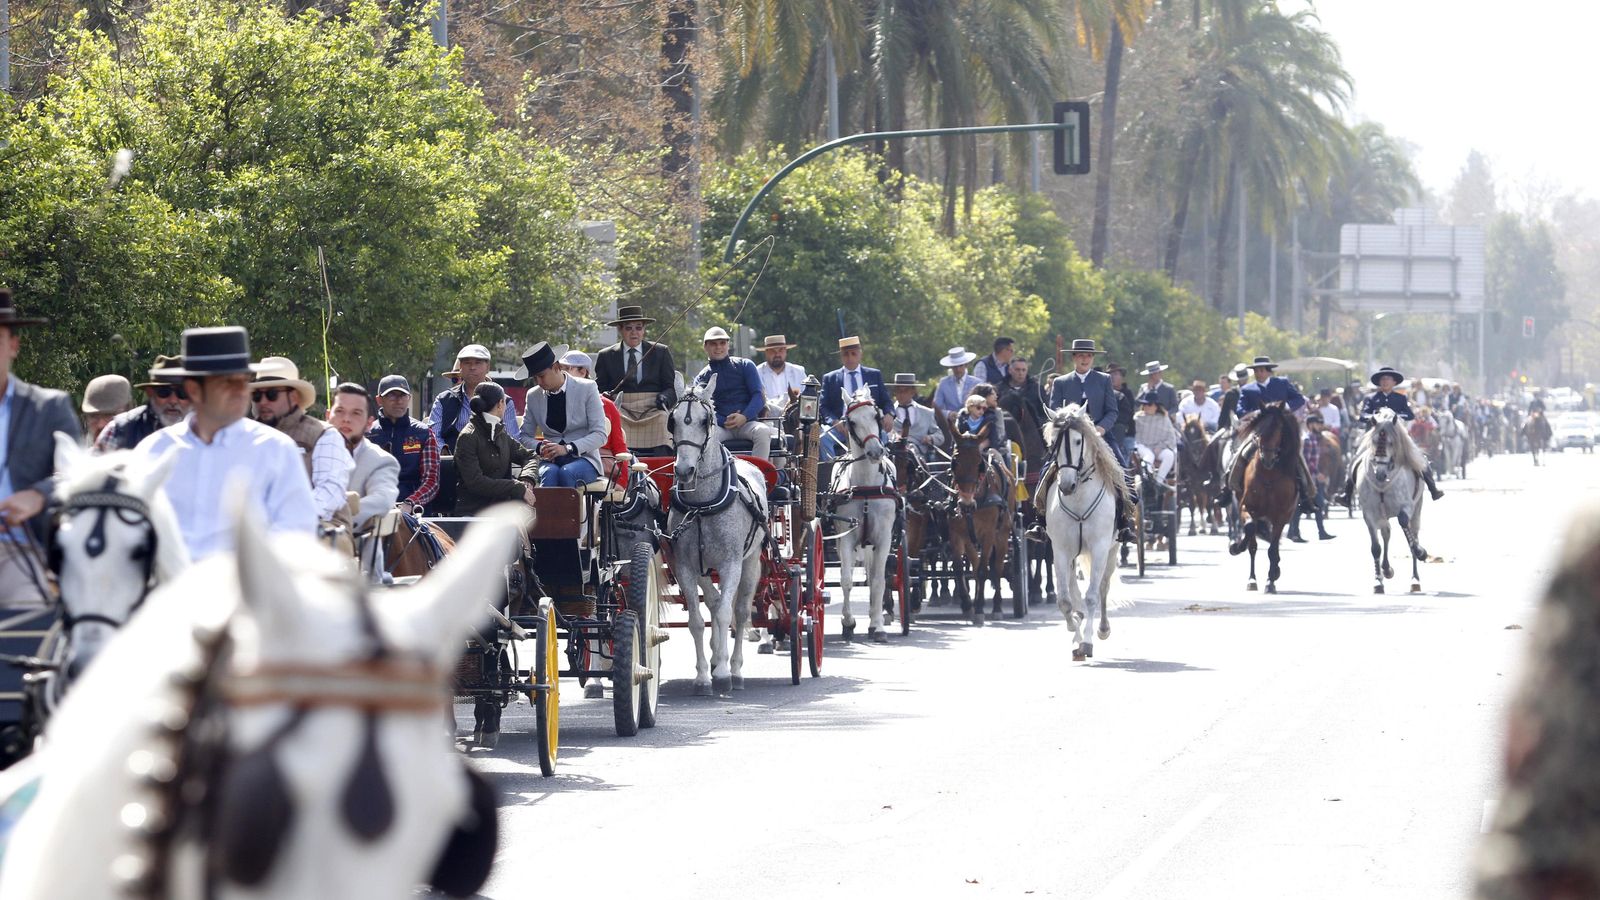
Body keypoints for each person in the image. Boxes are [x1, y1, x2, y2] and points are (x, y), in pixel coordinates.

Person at [134, 326, 313, 560]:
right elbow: (130, 528)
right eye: (227, 382)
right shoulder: (153, 450)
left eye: (244, 380)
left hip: (247, 581)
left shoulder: (276, 450)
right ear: (194, 390)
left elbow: (297, 535)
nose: (241, 390)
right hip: (167, 580)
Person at [0, 290, 80, 605]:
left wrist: (38, 495)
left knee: (29, 619)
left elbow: (76, 473)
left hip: (21, 549)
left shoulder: (48, 407)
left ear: (13, 346)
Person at [1045, 339, 1135, 542]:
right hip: (1069, 437)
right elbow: (1055, 413)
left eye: (1088, 356)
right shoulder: (1061, 382)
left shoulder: (1103, 380)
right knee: (1045, 471)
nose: (1084, 359)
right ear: (1074, 358)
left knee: (1122, 470)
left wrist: (1100, 429)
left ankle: (1124, 522)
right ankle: (1040, 519)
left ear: (1093, 358)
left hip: (1100, 435)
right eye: (1080, 355)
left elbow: (1112, 411)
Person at [252, 356, 355, 530]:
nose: (262, 402)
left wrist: (285, 519)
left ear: (293, 397)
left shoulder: (324, 435)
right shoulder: (246, 437)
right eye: (256, 395)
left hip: (324, 527)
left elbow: (330, 491)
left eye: (271, 394)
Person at [1334, 366, 1445, 504]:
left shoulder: (1400, 398)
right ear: (1379, 382)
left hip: (1397, 436)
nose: (1385, 381)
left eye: (1388, 379)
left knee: (1420, 456)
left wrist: (1396, 415)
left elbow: (1410, 415)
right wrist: (1376, 416)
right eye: (1382, 379)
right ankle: (1347, 493)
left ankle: (1432, 488)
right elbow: (1363, 415)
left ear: (1394, 382)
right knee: (1355, 458)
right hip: (1374, 436)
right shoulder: (1370, 398)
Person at [1225, 355, 1316, 515]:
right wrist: (1257, 412)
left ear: (1268, 371)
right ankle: (1228, 488)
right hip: (1259, 431)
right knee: (1240, 452)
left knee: (1297, 456)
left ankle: (1305, 493)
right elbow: (1240, 410)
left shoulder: (1282, 383)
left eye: (1261, 370)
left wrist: (1286, 407)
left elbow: (1299, 399)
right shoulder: (1248, 389)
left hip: (1282, 431)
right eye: (1256, 371)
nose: (1259, 373)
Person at [517, 342, 610, 487]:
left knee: (567, 472)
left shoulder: (587, 388)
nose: (538, 382)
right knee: (549, 473)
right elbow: (524, 436)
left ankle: (563, 503)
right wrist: (540, 447)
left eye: (541, 376)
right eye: (534, 378)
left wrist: (567, 448)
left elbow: (600, 435)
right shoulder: (533, 395)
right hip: (549, 460)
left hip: (584, 458)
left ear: (556, 367)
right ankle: (547, 504)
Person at [593, 306, 677, 456]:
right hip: (621, 409)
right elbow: (599, 389)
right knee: (611, 420)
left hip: (653, 409)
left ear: (644, 329)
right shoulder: (606, 355)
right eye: (628, 328)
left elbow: (670, 388)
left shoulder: (661, 352)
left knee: (663, 419)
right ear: (620, 329)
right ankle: (621, 465)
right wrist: (605, 396)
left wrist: (665, 398)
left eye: (638, 328)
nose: (634, 332)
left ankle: (662, 464)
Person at [325, 383, 399, 533]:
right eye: (339, 411)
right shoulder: (308, 452)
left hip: (356, 544)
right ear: (328, 416)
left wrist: (333, 521)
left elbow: (382, 500)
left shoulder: (382, 461)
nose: (346, 419)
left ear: (369, 423)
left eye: (356, 413)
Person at [454, 382, 535, 516]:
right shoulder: (468, 437)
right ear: (500, 404)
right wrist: (515, 486)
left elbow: (530, 456)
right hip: (473, 513)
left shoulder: (500, 433)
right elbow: (475, 482)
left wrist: (527, 478)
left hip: (501, 511)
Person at [693, 327, 773, 462]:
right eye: (713, 344)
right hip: (720, 427)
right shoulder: (701, 378)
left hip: (748, 423)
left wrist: (744, 416)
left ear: (728, 344)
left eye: (722, 343)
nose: (718, 347)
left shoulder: (745, 365)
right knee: (702, 438)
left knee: (763, 431)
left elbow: (758, 396)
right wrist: (722, 420)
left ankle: (758, 472)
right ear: (705, 347)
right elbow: (701, 407)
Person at [429, 343, 520, 453]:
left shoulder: (504, 401)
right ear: (460, 367)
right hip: (451, 460)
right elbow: (433, 435)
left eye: (478, 362)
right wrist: (443, 450)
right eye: (467, 363)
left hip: (492, 461)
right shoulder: (443, 400)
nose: (472, 367)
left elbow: (513, 440)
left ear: (488, 367)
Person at [369, 374, 441, 510]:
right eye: (392, 395)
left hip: (416, 512)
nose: (399, 401)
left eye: (403, 395)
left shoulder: (424, 433)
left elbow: (431, 481)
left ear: (409, 398)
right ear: (379, 400)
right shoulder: (367, 434)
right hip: (376, 508)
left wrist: (410, 503)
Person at [560, 350, 630, 483]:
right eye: (560, 369)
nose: (561, 375)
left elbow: (619, 447)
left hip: (599, 466)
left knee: (567, 472)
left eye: (567, 369)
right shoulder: (557, 401)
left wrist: (622, 482)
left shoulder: (607, 405)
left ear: (583, 372)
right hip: (565, 458)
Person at [94, 355, 190, 452]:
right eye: (164, 392)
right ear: (150, 393)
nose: (173, 400)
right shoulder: (118, 430)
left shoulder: (199, 434)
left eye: (182, 393)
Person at [820, 336, 892, 460]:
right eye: (846, 354)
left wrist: (889, 414)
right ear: (841, 356)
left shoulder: (874, 375)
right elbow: (823, 406)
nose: (850, 358)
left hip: (868, 424)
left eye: (853, 353)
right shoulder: (830, 378)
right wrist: (834, 421)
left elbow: (886, 401)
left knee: (884, 437)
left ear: (860, 354)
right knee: (823, 439)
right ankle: (830, 469)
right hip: (841, 426)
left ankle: (883, 468)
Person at [888, 373, 943, 458]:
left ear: (913, 392)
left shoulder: (927, 412)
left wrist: (930, 438)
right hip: (895, 455)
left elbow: (940, 436)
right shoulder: (888, 413)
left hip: (920, 455)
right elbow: (882, 433)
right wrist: (893, 437)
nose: (901, 394)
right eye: (898, 391)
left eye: (905, 391)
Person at [1134, 390, 1179, 484]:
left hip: (1159, 447)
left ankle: (1158, 482)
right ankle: (1147, 481)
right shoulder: (1137, 418)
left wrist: (1160, 447)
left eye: (1149, 404)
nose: (1146, 406)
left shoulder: (1164, 418)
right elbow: (1134, 436)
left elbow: (1171, 437)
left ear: (1156, 406)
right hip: (1142, 446)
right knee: (1149, 457)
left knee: (1169, 455)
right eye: (1145, 404)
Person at [756, 334, 806, 417]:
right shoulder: (757, 373)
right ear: (766, 352)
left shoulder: (798, 371)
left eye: (780, 350)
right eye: (773, 351)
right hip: (767, 419)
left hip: (794, 418)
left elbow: (806, 398)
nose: (777, 354)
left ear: (786, 351)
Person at [79, 374, 131, 448]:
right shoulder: (81, 455)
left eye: (108, 415)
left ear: (129, 411)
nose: (101, 424)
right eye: (93, 416)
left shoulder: (145, 451)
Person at [997, 355, 1047, 429]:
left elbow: (1045, 413)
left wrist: (1037, 424)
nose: (1020, 373)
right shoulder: (999, 389)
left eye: (1023, 370)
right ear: (1010, 370)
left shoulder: (1037, 389)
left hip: (1032, 430)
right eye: (1017, 370)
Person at [933, 346, 981, 418]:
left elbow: (983, 406)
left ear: (966, 365)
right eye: (955, 366)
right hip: (950, 423)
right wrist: (948, 414)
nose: (958, 370)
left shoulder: (977, 383)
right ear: (951, 367)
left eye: (960, 366)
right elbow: (936, 408)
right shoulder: (943, 383)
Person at [1108, 365, 1137, 461]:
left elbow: (1128, 413)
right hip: (1108, 431)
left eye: (1115, 374)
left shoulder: (1127, 393)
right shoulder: (1105, 393)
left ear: (1122, 377)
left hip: (1126, 432)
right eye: (1110, 374)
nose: (1112, 377)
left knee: (1125, 456)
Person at [1217, 365, 1247, 433]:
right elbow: (1224, 415)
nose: (1242, 380)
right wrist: (1220, 429)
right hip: (1232, 427)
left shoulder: (1254, 391)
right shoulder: (1230, 394)